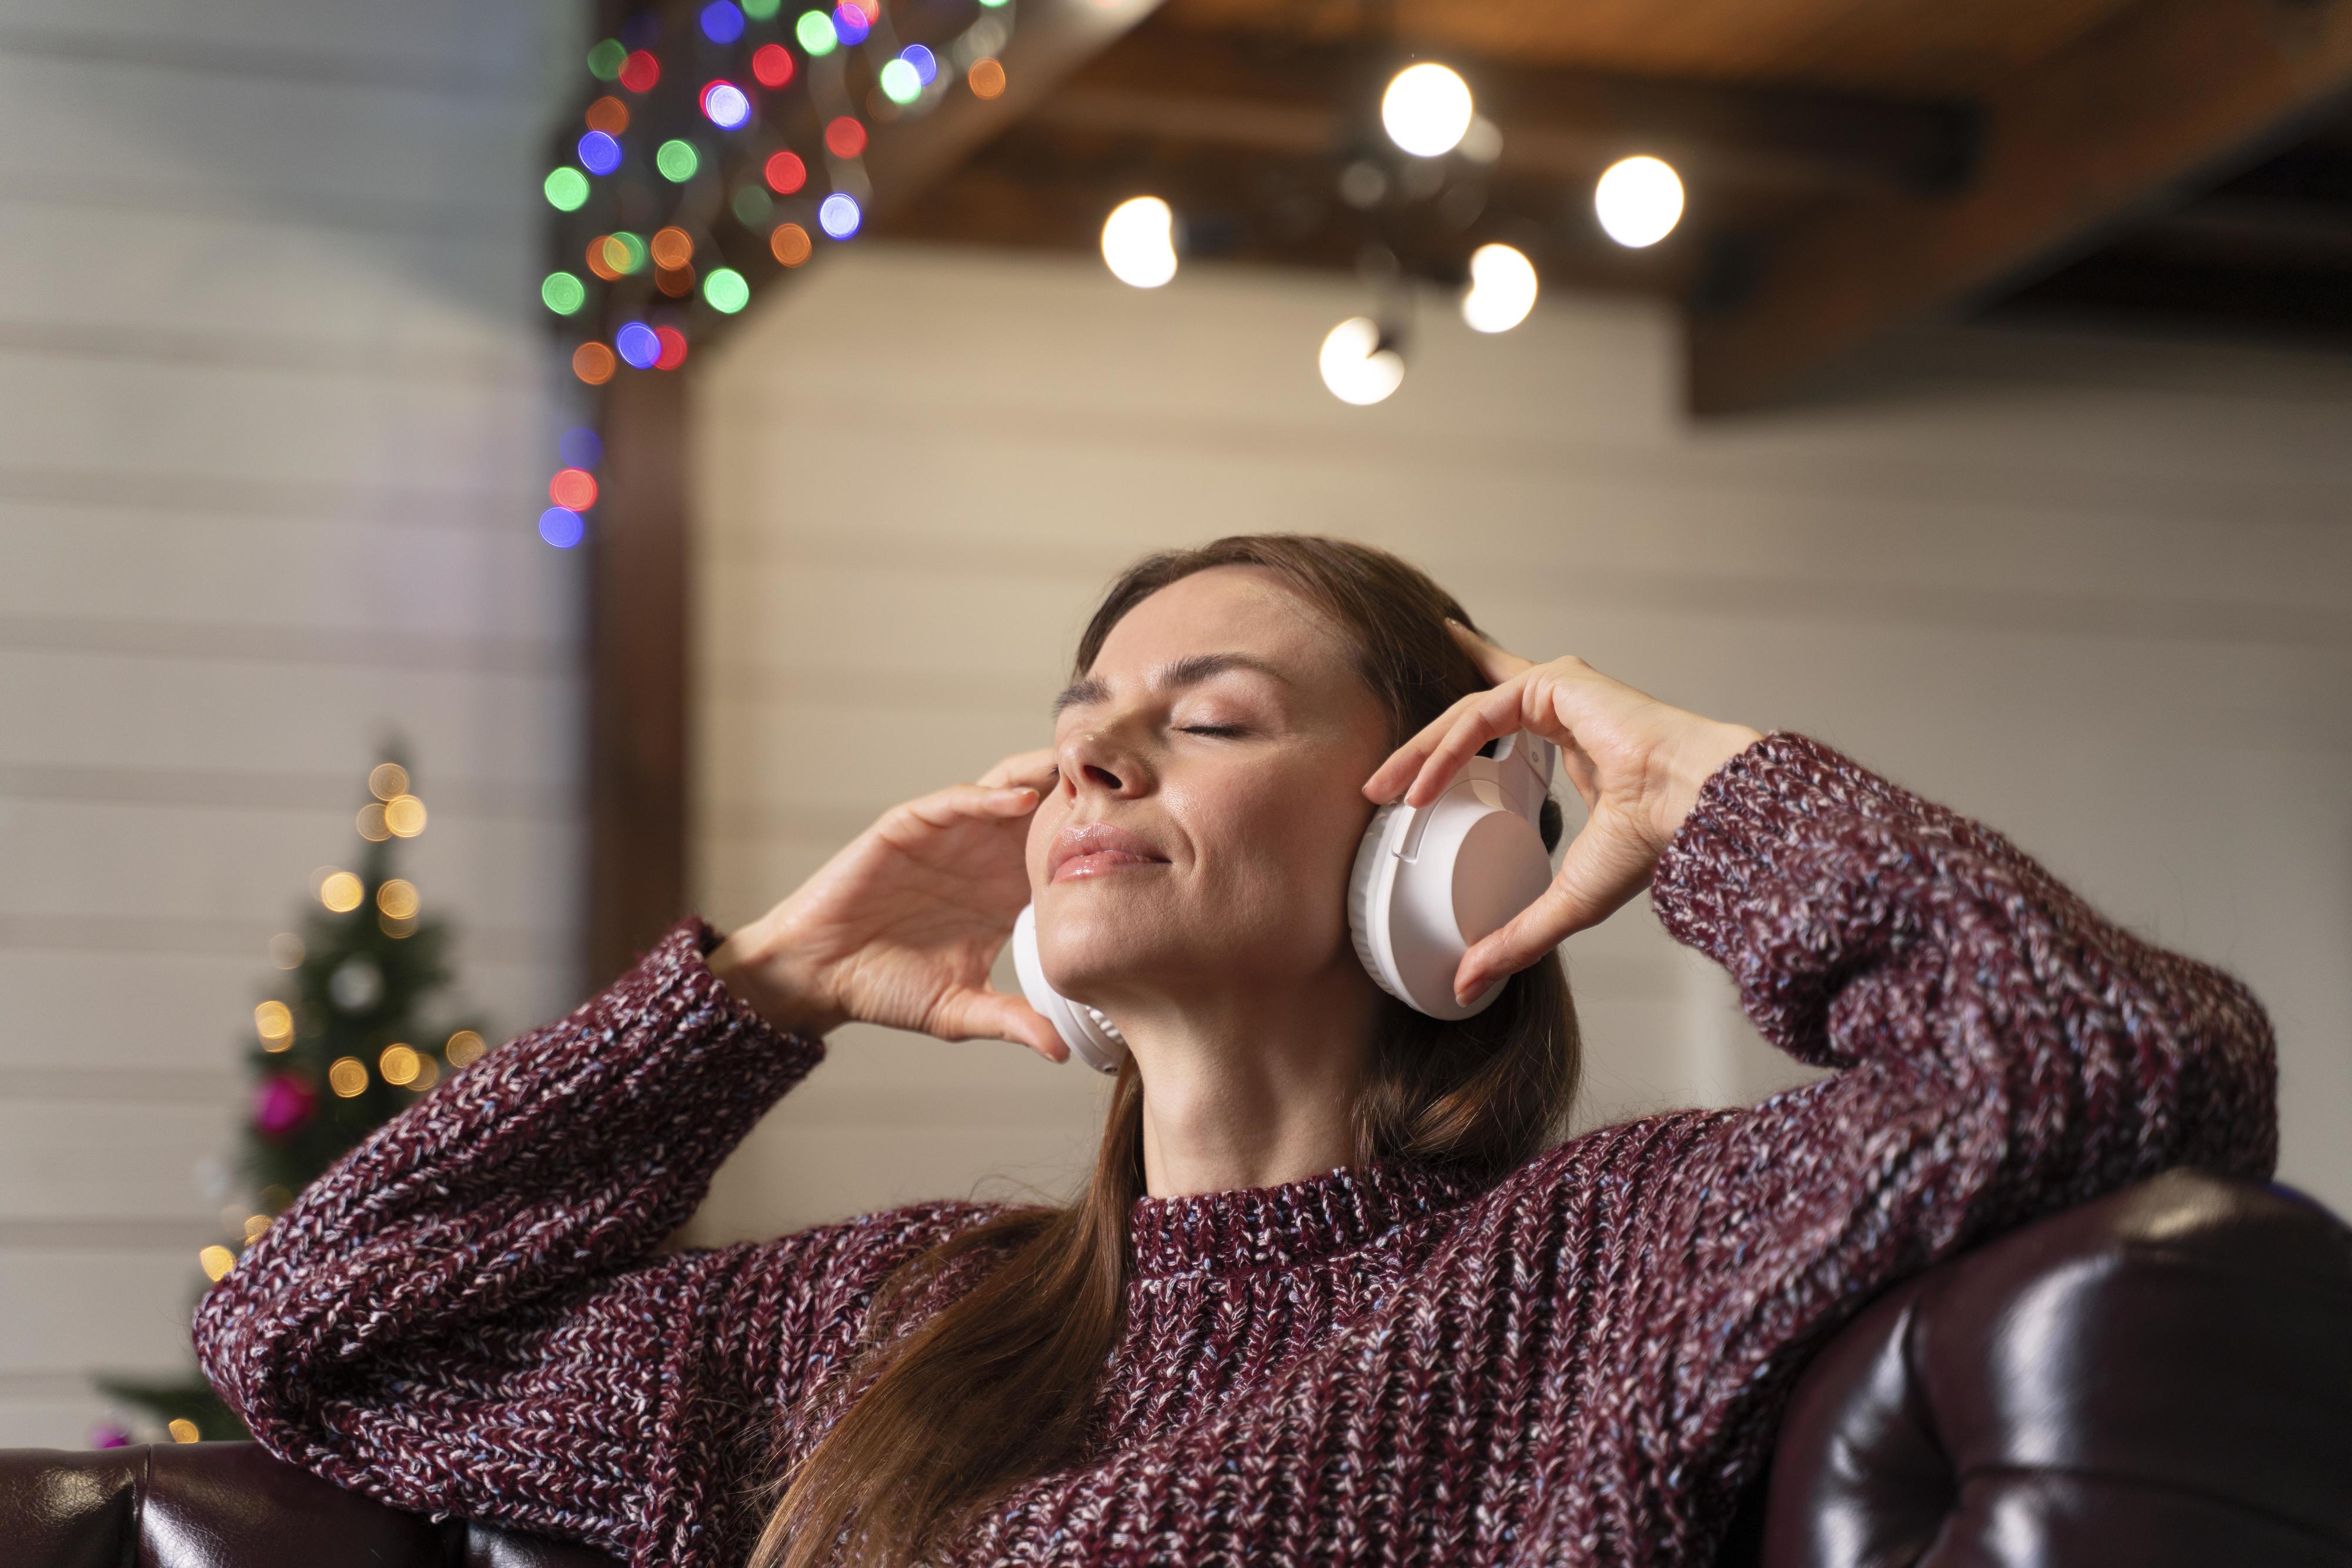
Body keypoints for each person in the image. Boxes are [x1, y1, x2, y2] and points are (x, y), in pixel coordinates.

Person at [195, 535, 2276, 1568]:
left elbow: (2119, 1062)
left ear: (1431, 850)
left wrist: (1707, 790)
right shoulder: (872, 1315)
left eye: (1204, 713)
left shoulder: (1609, 1266)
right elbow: (314, 1327)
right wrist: (754, 990)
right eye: (1087, 710)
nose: (1089, 749)